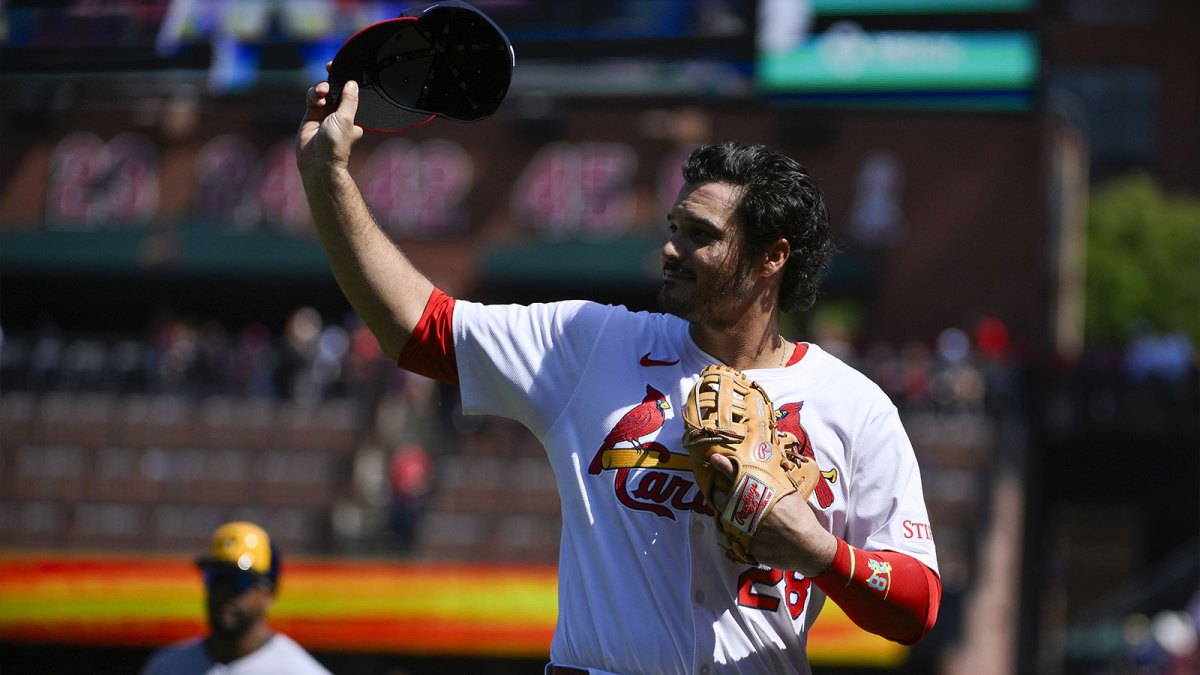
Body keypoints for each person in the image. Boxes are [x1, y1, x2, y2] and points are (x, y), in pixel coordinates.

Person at [297, 77, 942, 675]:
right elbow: (422, 330)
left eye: (700, 235)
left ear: (772, 257)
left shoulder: (855, 407)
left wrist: (816, 550)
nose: (671, 247)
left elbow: (917, 607)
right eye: (673, 228)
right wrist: (329, 180)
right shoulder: (595, 342)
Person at [141, 521, 331, 675]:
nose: (224, 590)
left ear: (268, 592)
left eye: (239, 579)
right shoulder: (165, 667)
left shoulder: (300, 671)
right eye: (217, 577)